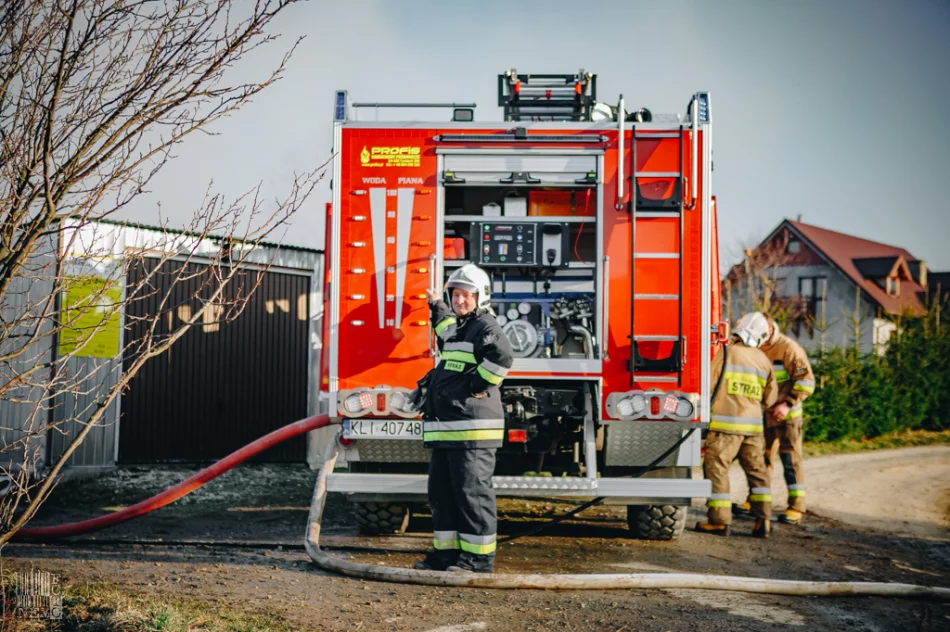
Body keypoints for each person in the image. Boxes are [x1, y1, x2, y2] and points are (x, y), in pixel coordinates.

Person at [412, 264, 513, 573]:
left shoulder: (485, 326)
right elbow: (444, 328)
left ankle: (478, 560)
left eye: (466, 295)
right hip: (448, 431)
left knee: (472, 495)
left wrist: (474, 386)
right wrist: (436, 305)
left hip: (472, 431)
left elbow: (502, 357)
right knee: (442, 495)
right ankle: (447, 556)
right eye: (455, 295)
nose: (460, 301)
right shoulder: (459, 327)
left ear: (479, 297)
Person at [696, 312, 777, 538]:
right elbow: (770, 399)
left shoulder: (726, 353)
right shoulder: (763, 360)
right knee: (758, 473)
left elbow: (708, 384)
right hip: (753, 429)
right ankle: (763, 520)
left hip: (724, 428)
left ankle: (719, 521)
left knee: (718, 470)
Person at [735, 313, 815, 525]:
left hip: (788, 415)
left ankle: (796, 507)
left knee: (790, 460)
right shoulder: (755, 345)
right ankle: (755, 501)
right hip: (764, 414)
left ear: (769, 330)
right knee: (760, 460)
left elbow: (806, 381)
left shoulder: (789, 349)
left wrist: (788, 403)